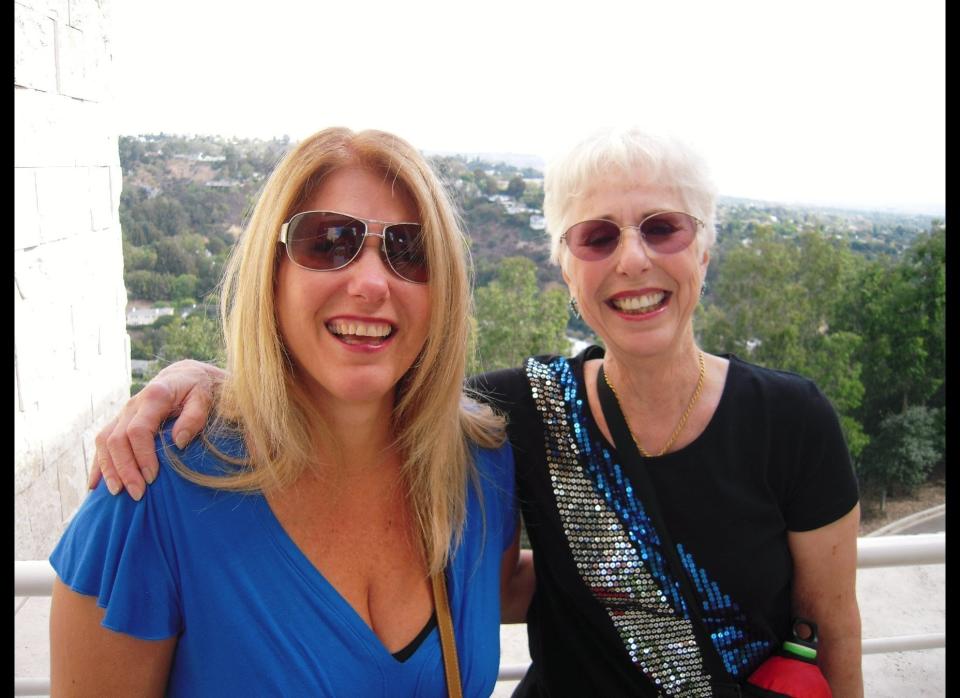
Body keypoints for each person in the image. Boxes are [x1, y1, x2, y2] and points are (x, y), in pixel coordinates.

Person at [90, 128, 863, 696]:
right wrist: (206, 380)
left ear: (705, 247)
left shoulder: (789, 421)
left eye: (664, 227)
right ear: (565, 265)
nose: (633, 258)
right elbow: (359, 380)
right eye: (597, 236)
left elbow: (833, 622)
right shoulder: (516, 416)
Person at [49, 127, 534, 697]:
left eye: (411, 251)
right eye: (328, 242)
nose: (372, 282)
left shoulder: (480, 470)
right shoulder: (148, 494)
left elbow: (522, 590)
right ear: (272, 273)